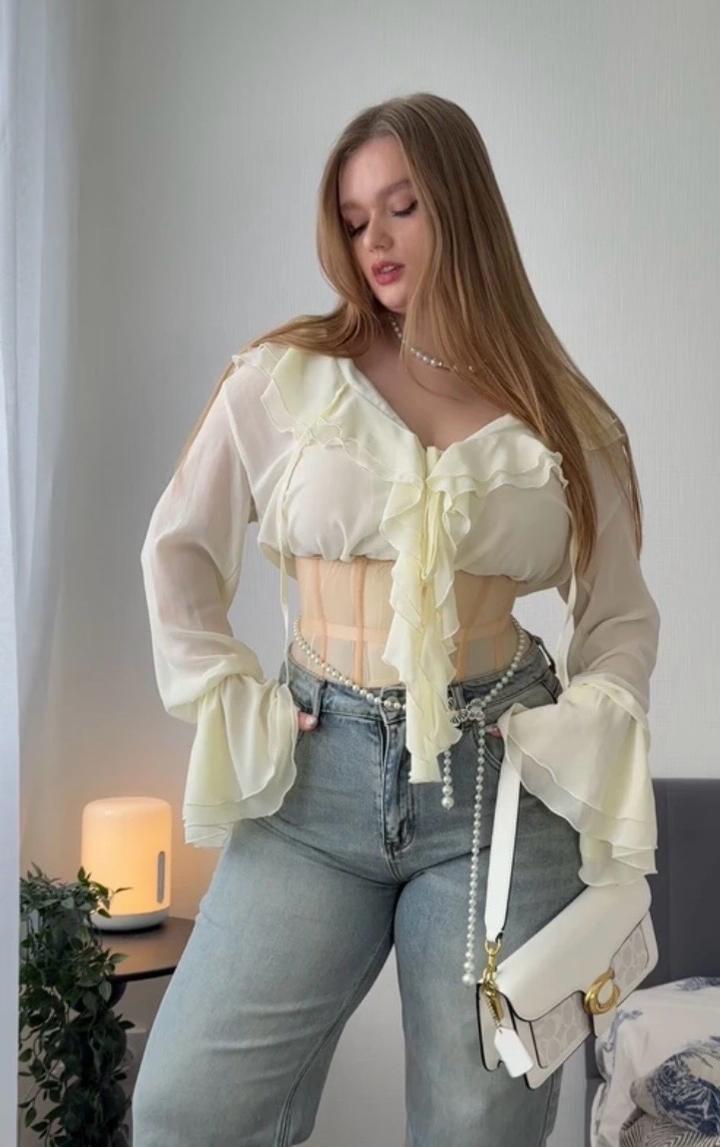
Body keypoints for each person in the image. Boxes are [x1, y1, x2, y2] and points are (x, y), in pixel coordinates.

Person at [132, 92, 660, 1146]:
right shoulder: (285, 382)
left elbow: (619, 617)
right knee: (185, 1106)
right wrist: (236, 697)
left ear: (461, 207)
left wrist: (582, 722)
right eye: (355, 217)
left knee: (476, 1126)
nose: (374, 239)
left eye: (402, 208)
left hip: (496, 788)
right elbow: (177, 549)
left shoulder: (564, 416)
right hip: (313, 784)